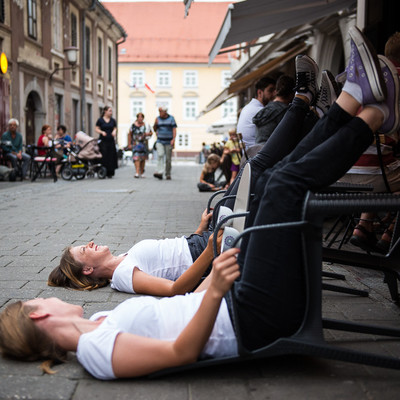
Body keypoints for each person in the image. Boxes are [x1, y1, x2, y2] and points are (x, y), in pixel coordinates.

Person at [1, 26, 397, 380]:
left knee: (268, 180)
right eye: (39, 299)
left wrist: (213, 271)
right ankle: (372, 113)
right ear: (39, 313)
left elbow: (183, 307)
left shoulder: (101, 323)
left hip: (239, 301)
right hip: (251, 316)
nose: (50, 296)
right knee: (276, 185)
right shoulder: (94, 352)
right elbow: (181, 351)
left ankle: (355, 103)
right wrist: (214, 282)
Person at [47, 209, 216, 294]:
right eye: (84, 249)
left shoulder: (122, 259)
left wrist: (200, 228)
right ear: (87, 269)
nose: (90, 243)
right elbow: (174, 290)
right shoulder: (122, 276)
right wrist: (209, 251)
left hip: (201, 243)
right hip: (206, 253)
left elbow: (173, 255)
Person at [340, 31, 400, 254]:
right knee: (383, 168)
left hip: (344, 171)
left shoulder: (365, 80)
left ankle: (363, 227)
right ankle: (391, 232)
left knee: (379, 162)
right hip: (374, 174)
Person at [253, 75, 295, 144]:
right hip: (274, 153)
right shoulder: (285, 113)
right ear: (292, 95)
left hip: (258, 152)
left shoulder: (264, 110)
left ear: (276, 91)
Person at [236, 76, 276, 149]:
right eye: (270, 90)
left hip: (249, 155)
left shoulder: (247, 108)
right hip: (257, 155)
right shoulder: (260, 111)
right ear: (260, 93)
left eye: (275, 91)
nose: (274, 94)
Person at [153, 106, 177, 180]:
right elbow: (154, 129)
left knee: (168, 159)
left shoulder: (171, 118)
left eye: (161, 111)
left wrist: (173, 139)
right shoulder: (157, 118)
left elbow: (174, 129)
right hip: (160, 140)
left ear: (165, 112)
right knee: (160, 155)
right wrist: (155, 124)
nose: (160, 113)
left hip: (169, 141)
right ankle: (160, 172)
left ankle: (168, 174)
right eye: (159, 111)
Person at [127, 112, 152, 178]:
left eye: (141, 117)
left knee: (143, 158)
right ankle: (137, 172)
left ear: (143, 118)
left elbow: (151, 132)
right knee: (136, 157)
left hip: (144, 144)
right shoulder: (133, 125)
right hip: (136, 143)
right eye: (139, 117)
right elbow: (129, 134)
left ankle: (142, 171)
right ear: (137, 118)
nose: (140, 118)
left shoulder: (146, 125)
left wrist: (147, 134)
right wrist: (129, 144)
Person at [95, 106, 118, 178]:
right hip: (103, 141)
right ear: (105, 111)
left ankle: (110, 172)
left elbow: (115, 128)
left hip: (110, 140)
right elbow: (96, 128)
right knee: (104, 155)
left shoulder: (113, 120)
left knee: (111, 155)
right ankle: (103, 171)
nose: (111, 112)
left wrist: (114, 131)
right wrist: (102, 132)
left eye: (111, 111)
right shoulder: (100, 120)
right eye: (110, 111)